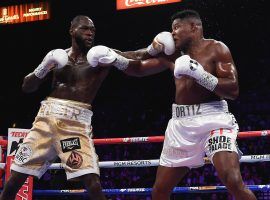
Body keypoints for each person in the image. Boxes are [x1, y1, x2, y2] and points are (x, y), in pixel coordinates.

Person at [86, 10, 257, 200]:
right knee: (159, 191)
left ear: (193, 27)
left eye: (177, 27)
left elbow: (233, 90)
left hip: (214, 121)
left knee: (232, 180)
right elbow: (140, 68)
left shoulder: (216, 49)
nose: (172, 33)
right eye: (172, 29)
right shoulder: (173, 54)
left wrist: (199, 74)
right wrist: (115, 59)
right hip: (181, 125)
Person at [0, 15, 109, 200]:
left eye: (93, 30)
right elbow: (27, 87)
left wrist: (154, 48)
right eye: (85, 28)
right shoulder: (57, 57)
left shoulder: (101, 57)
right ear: (72, 30)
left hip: (73, 127)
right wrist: (45, 66)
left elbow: (135, 57)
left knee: (92, 180)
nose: (90, 33)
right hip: (45, 122)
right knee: (15, 177)